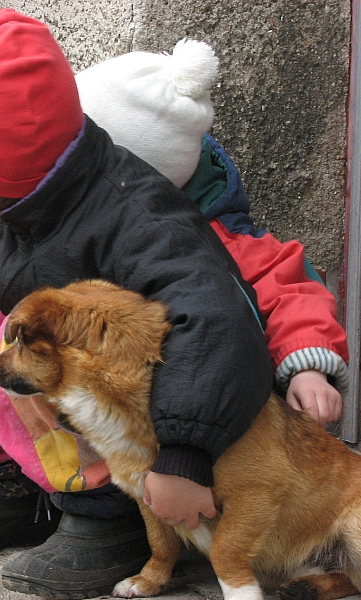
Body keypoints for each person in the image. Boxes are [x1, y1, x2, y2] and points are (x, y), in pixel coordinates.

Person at [0, 9, 275, 598]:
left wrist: (184, 457)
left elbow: (218, 323)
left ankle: (106, 516)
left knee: (30, 349)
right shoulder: (10, 216)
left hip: (143, 448)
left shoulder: (138, 215)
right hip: (72, 430)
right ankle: (3, 489)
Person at [75, 39, 349, 425]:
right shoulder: (73, 219)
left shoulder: (222, 241)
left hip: (202, 415)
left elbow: (292, 292)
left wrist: (307, 368)